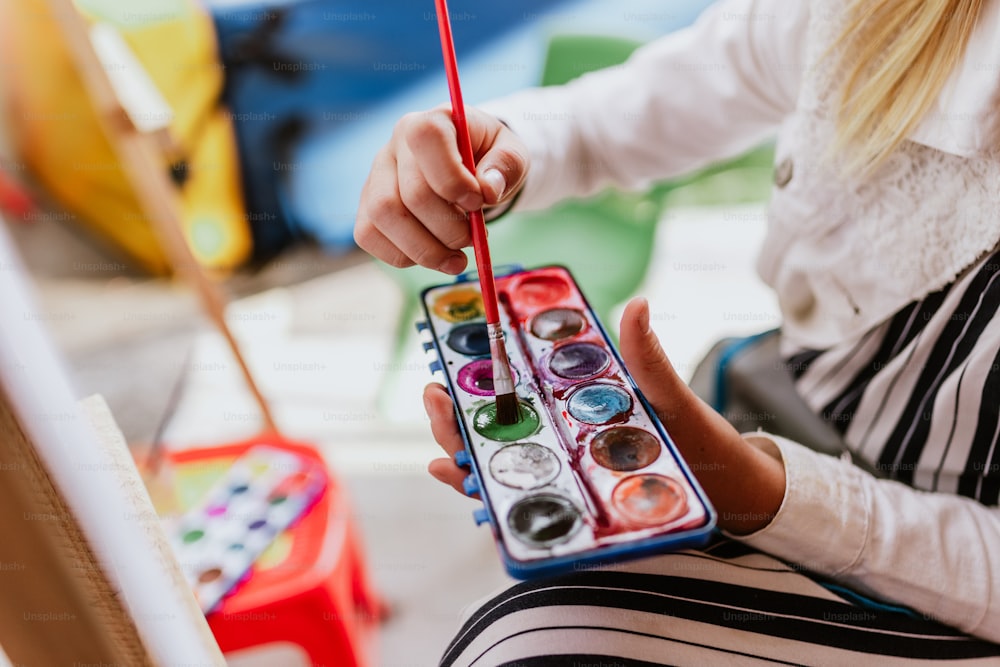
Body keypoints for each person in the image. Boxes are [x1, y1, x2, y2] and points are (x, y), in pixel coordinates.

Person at [355, 0, 1000, 663]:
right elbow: (637, 108)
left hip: (947, 578)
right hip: (788, 402)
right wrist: (504, 147)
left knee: (523, 642)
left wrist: (766, 492)